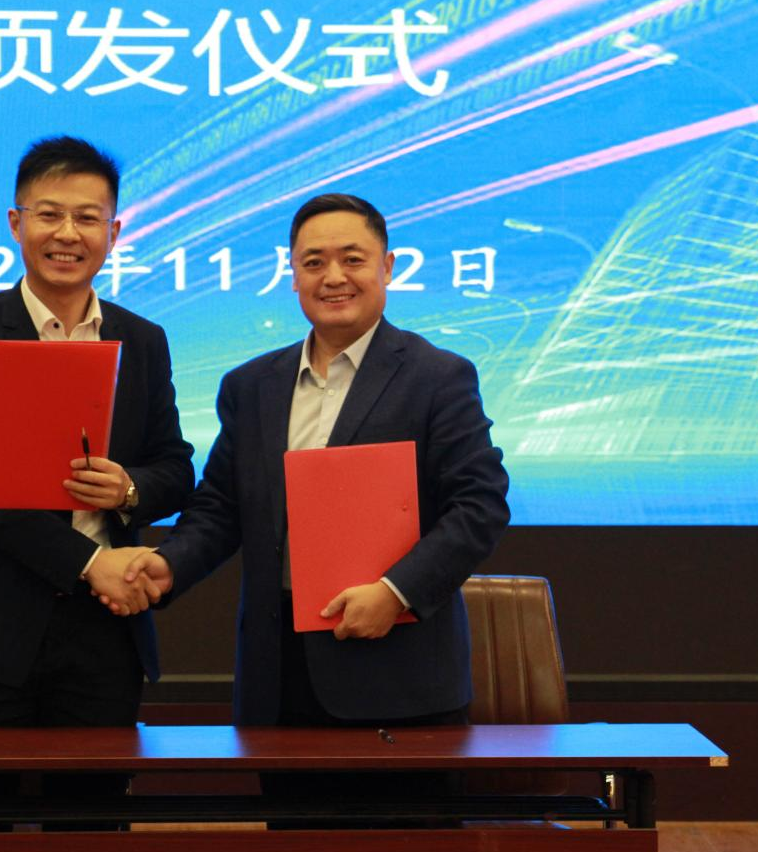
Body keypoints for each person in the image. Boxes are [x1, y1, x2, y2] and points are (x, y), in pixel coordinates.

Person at [123, 193, 508, 814]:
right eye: (313, 262)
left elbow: (479, 505)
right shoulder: (252, 385)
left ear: (387, 267)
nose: (333, 277)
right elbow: (221, 506)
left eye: (352, 259)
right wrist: (169, 564)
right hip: (280, 678)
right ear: (293, 274)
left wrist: (396, 593)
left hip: (398, 676)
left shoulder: (437, 376)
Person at [0, 136, 194, 814]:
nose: (68, 234)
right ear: (16, 223)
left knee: (91, 827)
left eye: (88, 218)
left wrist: (129, 489)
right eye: (49, 214)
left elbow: (176, 468)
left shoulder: (141, 340)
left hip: (104, 632)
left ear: (114, 231)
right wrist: (91, 563)